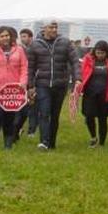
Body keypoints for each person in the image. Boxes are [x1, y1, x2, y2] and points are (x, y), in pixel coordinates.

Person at [26, 21, 79, 150]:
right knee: (44, 112)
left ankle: (52, 143)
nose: (54, 30)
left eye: (56, 27)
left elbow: (75, 61)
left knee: (55, 115)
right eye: (51, 27)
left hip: (60, 84)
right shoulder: (35, 45)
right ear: (44, 29)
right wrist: (31, 85)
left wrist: (78, 78)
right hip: (42, 84)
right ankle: (44, 141)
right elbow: (31, 67)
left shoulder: (65, 42)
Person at [76, 40, 108, 147]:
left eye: (102, 53)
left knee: (102, 118)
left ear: (107, 52)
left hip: (104, 94)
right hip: (90, 93)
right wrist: (79, 85)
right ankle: (93, 137)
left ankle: (102, 142)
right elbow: (82, 73)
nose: (100, 55)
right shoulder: (88, 59)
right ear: (95, 51)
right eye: (98, 52)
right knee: (89, 116)